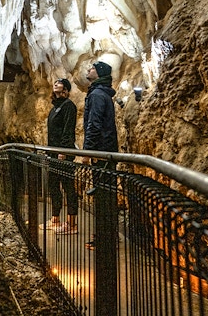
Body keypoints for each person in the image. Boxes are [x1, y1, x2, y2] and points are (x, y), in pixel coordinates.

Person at [82, 60, 118, 264]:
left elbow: (93, 124)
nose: (89, 70)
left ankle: (105, 238)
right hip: (107, 151)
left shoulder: (96, 95)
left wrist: (88, 151)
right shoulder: (103, 93)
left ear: (100, 73)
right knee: (107, 194)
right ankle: (107, 236)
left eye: (92, 68)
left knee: (103, 195)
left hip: (101, 153)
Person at [39, 78, 79, 235]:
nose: (56, 84)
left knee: (68, 186)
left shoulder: (69, 106)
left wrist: (63, 150)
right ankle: (55, 219)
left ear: (66, 89)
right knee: (53, 185)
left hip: (63, 153)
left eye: (60, 83)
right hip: (53, 152)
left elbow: (68, 130)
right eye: (55, 83)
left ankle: (72, 223)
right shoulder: (55, 108)